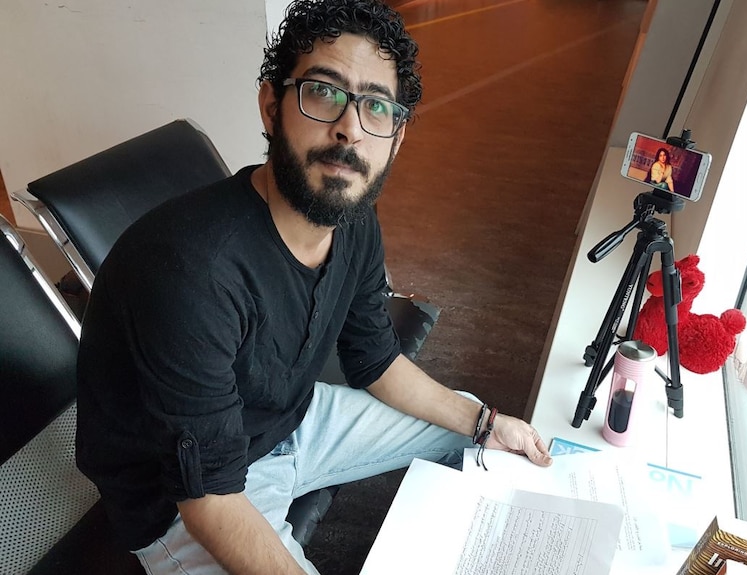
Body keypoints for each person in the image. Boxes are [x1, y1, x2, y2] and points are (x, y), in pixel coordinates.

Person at [74, 1, 552, 573]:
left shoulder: (352, 218)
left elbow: (374, 359)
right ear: (272, 107)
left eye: (376, 106)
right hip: (182, 498)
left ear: (395, 138)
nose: (350, 126)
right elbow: (210, 501)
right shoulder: (191, 273)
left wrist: (486, 423)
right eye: (324, 93)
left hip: (293, 420)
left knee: (479, 428)